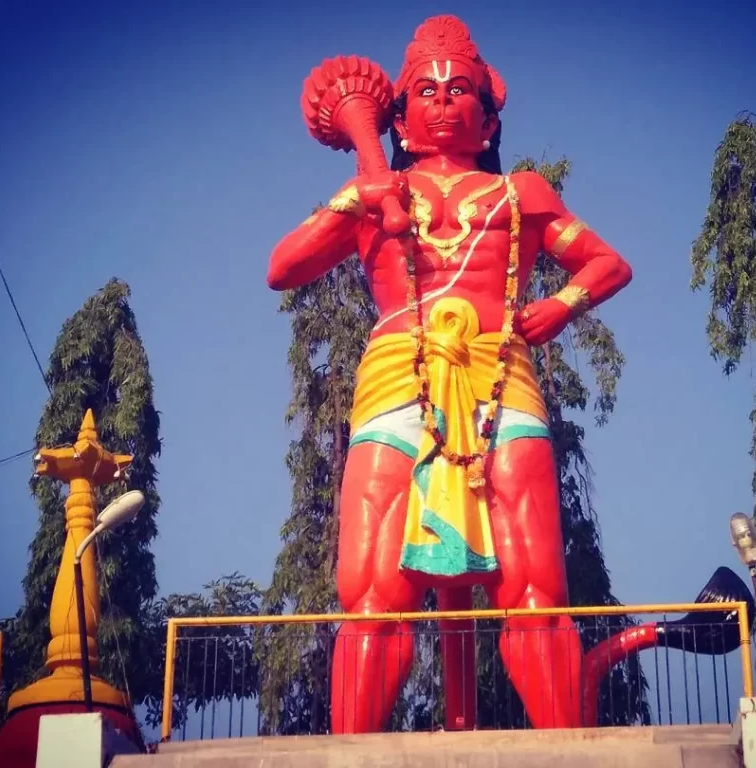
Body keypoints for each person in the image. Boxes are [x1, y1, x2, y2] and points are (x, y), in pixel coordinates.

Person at [267, 14, 632, 733]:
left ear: (489, 120)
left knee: (536, 590)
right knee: (371, 596)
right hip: (396, 379)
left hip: (503, 377)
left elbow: (608, 263)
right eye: (425, 92)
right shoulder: (375, 195)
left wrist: (560, 304)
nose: (441, 101)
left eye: (459, 89)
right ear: (398, 122)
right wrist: (354, 197)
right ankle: (351, 753)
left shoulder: (520, 193)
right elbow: (282, 268)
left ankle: (566, 746)